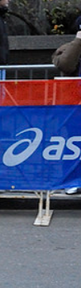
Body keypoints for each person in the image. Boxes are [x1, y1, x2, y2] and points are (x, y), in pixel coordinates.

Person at [52, 15, 81, 195]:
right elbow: (65, 65)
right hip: (75, 104)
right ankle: (72, 180)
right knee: (73, 141)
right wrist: (78, 42)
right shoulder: (70, 48)